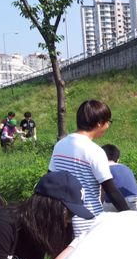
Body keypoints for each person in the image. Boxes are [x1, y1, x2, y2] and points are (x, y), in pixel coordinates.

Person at [49, 100, 129, 237]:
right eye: (108, 121)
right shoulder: (94, 151)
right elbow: (111, 190)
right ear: (99, 123)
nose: (108, 125)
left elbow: (50, 179)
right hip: (88, 223)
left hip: (63, 219)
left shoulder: (60, 145)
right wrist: (131, 215)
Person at [101, 144, 137, 211]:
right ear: (118, 160)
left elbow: (102, 191)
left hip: (113, 202)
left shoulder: (104, 168)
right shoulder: (127, 168)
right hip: (134, 199)